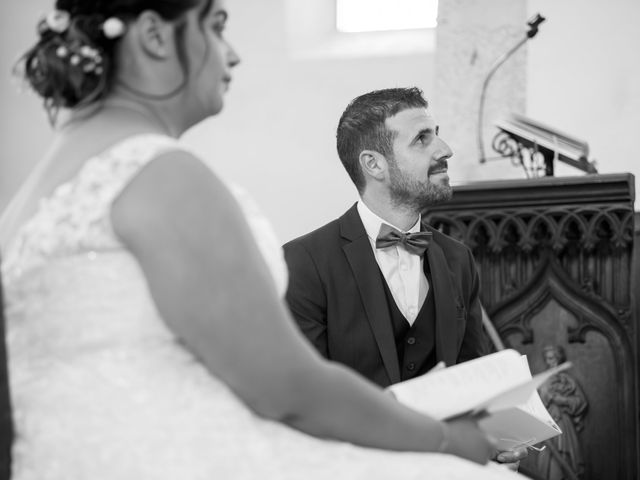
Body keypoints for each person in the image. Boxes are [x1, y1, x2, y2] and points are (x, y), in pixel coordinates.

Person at [0, 1, 524, 478]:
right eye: (215, 25)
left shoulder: (35, 195)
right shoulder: (162, 176)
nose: (231, 55)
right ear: (155, 36)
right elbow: (288, 388)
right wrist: (444, 441)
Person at [284, 88, 489, 388]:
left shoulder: (458, 259)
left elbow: (474, 381)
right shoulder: (303, 263)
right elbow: (307, 394)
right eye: (422, 139)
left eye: (436, 134)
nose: (445, 150)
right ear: (374, 164)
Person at [535, 346, 588, 480]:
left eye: (552, 358)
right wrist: (545, 396)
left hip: (564, 423)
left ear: (559, 358)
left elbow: (580, 402)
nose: (549, 362)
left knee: (566, 457)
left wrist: (561, 400)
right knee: (547, 459)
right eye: (547, 359)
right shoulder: (543, 382)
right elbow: (535, 405)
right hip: (547, 423)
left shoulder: (568, 381)